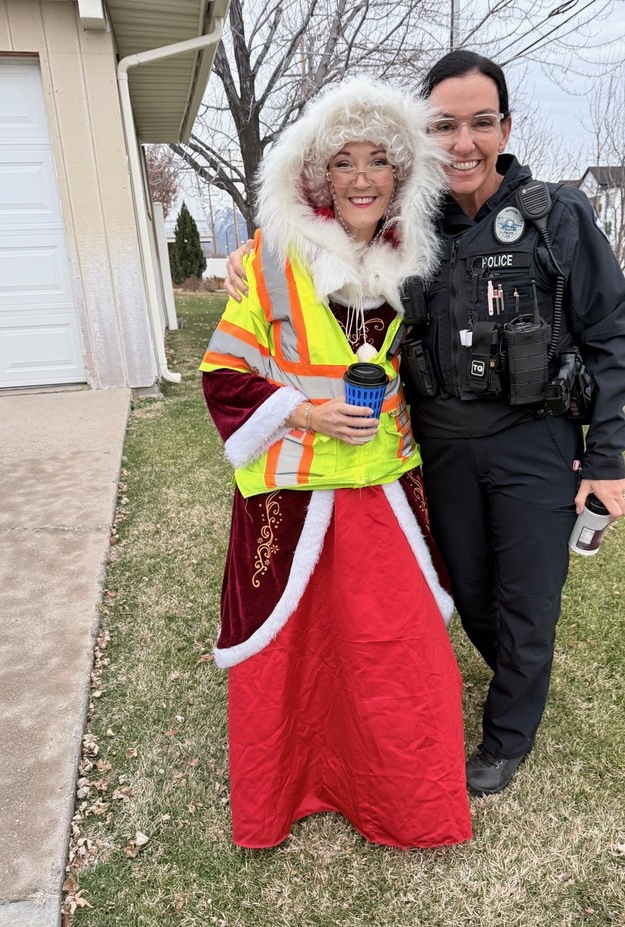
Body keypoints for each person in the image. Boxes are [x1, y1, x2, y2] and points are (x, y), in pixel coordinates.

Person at [224, 53, 625, 799]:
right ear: (424, 134)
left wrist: (606, 459)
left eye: (482, 123)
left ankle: (508, 736)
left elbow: (609, 336)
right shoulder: (410, 225)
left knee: (528, 596)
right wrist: (248, 253)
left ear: (505, 128)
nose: (464, 142)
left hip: (534, 442)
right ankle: (512, 671)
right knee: (469, 588)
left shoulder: (559, 217)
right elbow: (319, 243)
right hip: (437, 445)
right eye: (444, 125)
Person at [201, 77, 472, 849]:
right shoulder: (266, 260)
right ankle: (284, 795)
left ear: (401, 175)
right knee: (290, 658)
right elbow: (224, 374)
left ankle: (403, 801)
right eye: (343, 163)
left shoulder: (414, 261)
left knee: (396, 657)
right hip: (291, 496)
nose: (360, 179)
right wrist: (306, 411)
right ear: (316, 176)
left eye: (378, 162)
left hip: (382, 490)